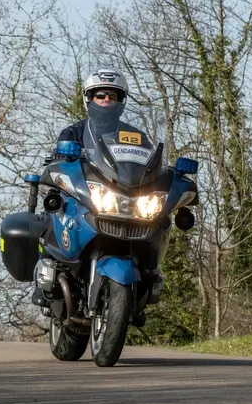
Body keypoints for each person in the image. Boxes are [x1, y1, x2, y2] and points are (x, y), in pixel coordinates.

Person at [36, 69, 164, 319]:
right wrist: (62, 159)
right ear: (89, 99)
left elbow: (150, 164)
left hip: (125, 202)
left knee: (160, 221)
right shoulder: (73, 133)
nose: (106, 100)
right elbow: (61, 159)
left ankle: (147, 280)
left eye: (112, 96)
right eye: (100, 95)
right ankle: (45, 279)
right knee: (53, 212)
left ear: (120, 101)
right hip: (88, 197)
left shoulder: (136, 137)